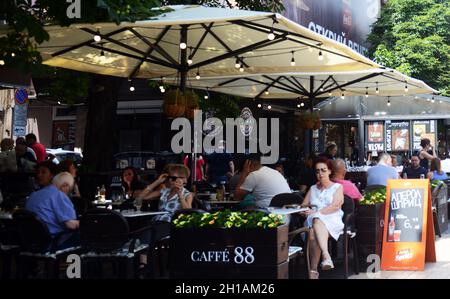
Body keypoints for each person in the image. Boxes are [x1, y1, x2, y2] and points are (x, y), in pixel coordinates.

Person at [135, 164, 193, 271]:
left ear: (184, 179)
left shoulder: (187, 194)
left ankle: (143, 263)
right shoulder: (164, 191)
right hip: (156, 221)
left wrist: (180, 195)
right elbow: (141, 197)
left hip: (171, 223)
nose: (171, 180)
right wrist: (157, 182)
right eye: (170, 177)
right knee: (143, 229)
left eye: (174, 178)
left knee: (148, 233)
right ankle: (144, 265)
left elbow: (188, 211)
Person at [301, 157, 344, 279]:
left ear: (330, 171)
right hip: (314, 222)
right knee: (314, 228)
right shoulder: (313, 188)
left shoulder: (337, 187)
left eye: (323, 170)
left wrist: (316, 212)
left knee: (316, 222)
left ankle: (313, 271)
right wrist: (305, 211)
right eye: (317, 171)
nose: (320, 173)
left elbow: (335, 205)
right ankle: (326, 257)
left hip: (332, 219)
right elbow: (304, 205)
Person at [25, 172, 80, 249]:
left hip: (31, 241)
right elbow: (70, 225)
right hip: (52, 241)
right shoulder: (59, 195)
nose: (69, 194)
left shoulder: (33, 195)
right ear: (65, 186)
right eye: (70, 190)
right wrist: (85, 223)